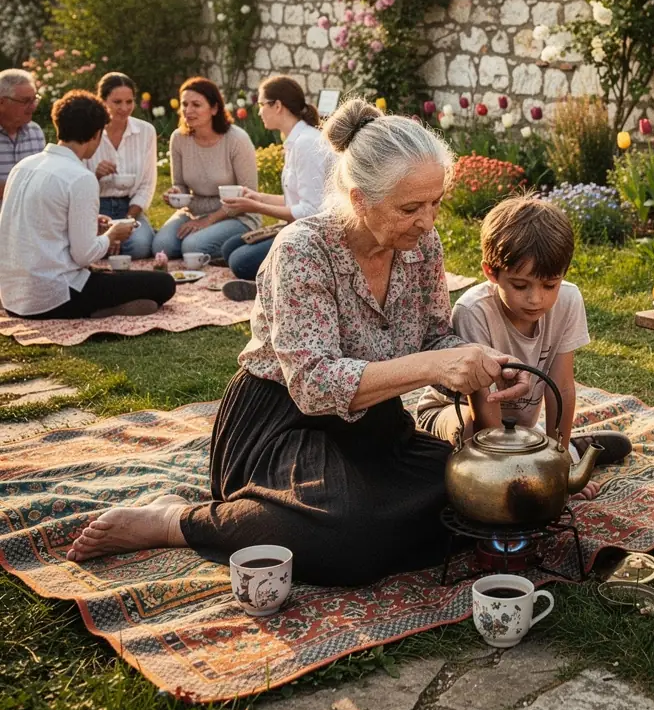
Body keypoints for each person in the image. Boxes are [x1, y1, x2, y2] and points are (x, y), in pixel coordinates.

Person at [67, 98, 531, 585]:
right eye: (411, 207)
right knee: (347, 534)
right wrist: (433, 368)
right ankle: (175, 521)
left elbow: (435, 335)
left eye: (436, 202)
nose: (428, 221)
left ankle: (362, 513)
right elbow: (313, 385)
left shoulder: (422, 247)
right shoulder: (302, 250)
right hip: (284, 424)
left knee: (471, 496)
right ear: (359, 199)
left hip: (374, 427)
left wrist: (481, 363)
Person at [417, 195, 632, 492]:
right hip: (455, 415)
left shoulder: (569, 300)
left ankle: (568, 451)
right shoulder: (472, 311)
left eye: (549, 285)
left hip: (520, 429)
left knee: (536, 453)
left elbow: (562, 387)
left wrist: (560, 471)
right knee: (466, 445)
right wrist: (501, 484)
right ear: (491, 272)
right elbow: (482, 403)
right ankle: (551, 453)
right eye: (520, 285)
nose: (536, 298)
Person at [0, 90, 176, 319]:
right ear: (96, 134)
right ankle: (103, 310)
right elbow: (85, 255)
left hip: (12, 296)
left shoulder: (24, 166)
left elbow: (38, 221)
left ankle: (105, 306)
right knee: (164, 283)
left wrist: (91, 223)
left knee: (112, 278)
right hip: (55, 296)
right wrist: (112, 234)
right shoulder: (79, 177)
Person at [218, 75, 332, 301]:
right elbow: (296, 199)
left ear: (277, 105)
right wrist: (257, 197)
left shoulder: (306, 143)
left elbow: (312, 211)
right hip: (297, 227)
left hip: (316, 235)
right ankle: (272, 279)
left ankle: (272, 286)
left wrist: (255, 207)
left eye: (261, 105)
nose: (258, 112)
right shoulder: (294, 141)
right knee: (229, 248)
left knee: (240, 262)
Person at [151, 77, 259, 259]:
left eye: (196, 105)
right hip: (195, 212)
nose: (188, 110)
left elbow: (247, 196)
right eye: (184, 104)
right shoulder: (179, 138)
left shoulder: (237, 140)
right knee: (162, 246)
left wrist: (208, 221)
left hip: (237, 215)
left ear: (214, 108)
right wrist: (175, 193)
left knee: (192, 247)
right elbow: (180, 185)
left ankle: (238, 249)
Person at [83, 72, 157, 259]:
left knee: (140, 246)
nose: (124, 108)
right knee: (88, 246)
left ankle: (109, 248)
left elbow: (147, 184)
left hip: (129, 207)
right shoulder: (87, 131)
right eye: (117, 102)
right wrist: (95, 175)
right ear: (102, 101)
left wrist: (128, 219)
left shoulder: (146, 131)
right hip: (95, 207)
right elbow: (76, 186)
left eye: (129, 102)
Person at [0, 68, 45, 202]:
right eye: (25, 101)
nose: (33, 107)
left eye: (34, 99)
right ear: (1, 102)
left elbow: (42, 179)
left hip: (27, 221)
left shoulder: (35, 132)